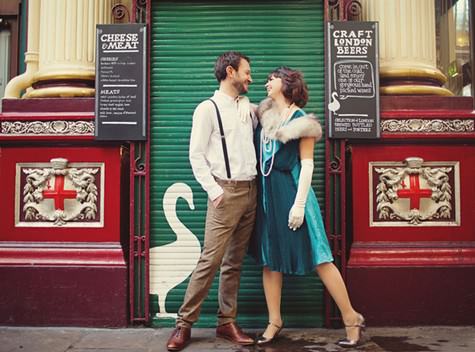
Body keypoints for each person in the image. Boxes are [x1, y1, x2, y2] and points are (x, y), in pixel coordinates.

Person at [249, 66, 365, 348]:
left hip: (292, 191)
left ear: (287, 84)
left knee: (320, 256)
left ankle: (351, 318)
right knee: (269, 256)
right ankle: (274, 320)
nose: (267, 83)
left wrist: (299, 205)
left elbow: (308, 164)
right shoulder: (262, 115)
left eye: (272, 79)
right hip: (267, 194)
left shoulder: (302, 121)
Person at [166, 51, 257, 351]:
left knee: (234, 263)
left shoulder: (247, 107)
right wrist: (214, 190)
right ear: (230, 72)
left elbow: (278, 110)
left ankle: (226, 321)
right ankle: (184, 324)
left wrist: (249, 105)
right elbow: (196, 154)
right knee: (210, 260)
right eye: (246, 72)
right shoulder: (206, 109)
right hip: (224, 192)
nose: (250, 78)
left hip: (250, 191)